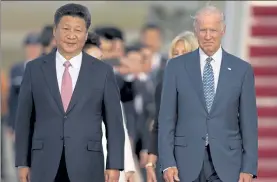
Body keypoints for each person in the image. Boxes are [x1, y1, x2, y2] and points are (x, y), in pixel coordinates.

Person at [15, 3, 124, 182]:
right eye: (65, 28)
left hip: (88, 163)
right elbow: (24, 120)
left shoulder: (102, 71)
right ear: (55, 31)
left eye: (78, 30)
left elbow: (114, 123)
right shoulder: (34, 69)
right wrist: (22, 162)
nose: (71, 35)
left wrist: (114, 164)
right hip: (43, 163)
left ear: (86, 34)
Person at [158, 5, 258, 182]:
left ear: (223, 30)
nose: (208, 36)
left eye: (213, 30)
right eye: (203, 30)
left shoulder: (241, 70)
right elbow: (166, 119)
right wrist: (167, 162)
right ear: (195, 31)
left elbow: (248, 123)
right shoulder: (176, 67)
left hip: (227, 164)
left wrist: (249, 167)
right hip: (184, 164)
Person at [146, 31, 199, 182]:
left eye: (185, 52)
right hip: (172, 159)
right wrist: (150, 162)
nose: (179, 56)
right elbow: (158, 124)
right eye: (175, 53)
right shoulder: (163, 85)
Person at [83, 32, 136, 182]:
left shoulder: (109, 90)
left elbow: (120, 130)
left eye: (100, 60)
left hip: (111, 168)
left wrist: (128, 167)